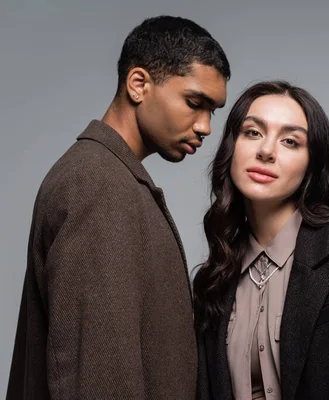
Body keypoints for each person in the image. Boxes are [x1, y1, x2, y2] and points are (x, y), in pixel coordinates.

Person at [7, 15, 230, 399]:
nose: (205, 127)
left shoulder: (111, 177)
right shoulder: (98, 184)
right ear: (139, 84)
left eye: (213, 111)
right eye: (195, 103)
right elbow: (95, 375)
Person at [193, 81, 329, 399]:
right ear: (232, 146)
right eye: (253, 132)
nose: (266, 151)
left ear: (311, 163)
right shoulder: (216, 278)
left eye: (290, 141)